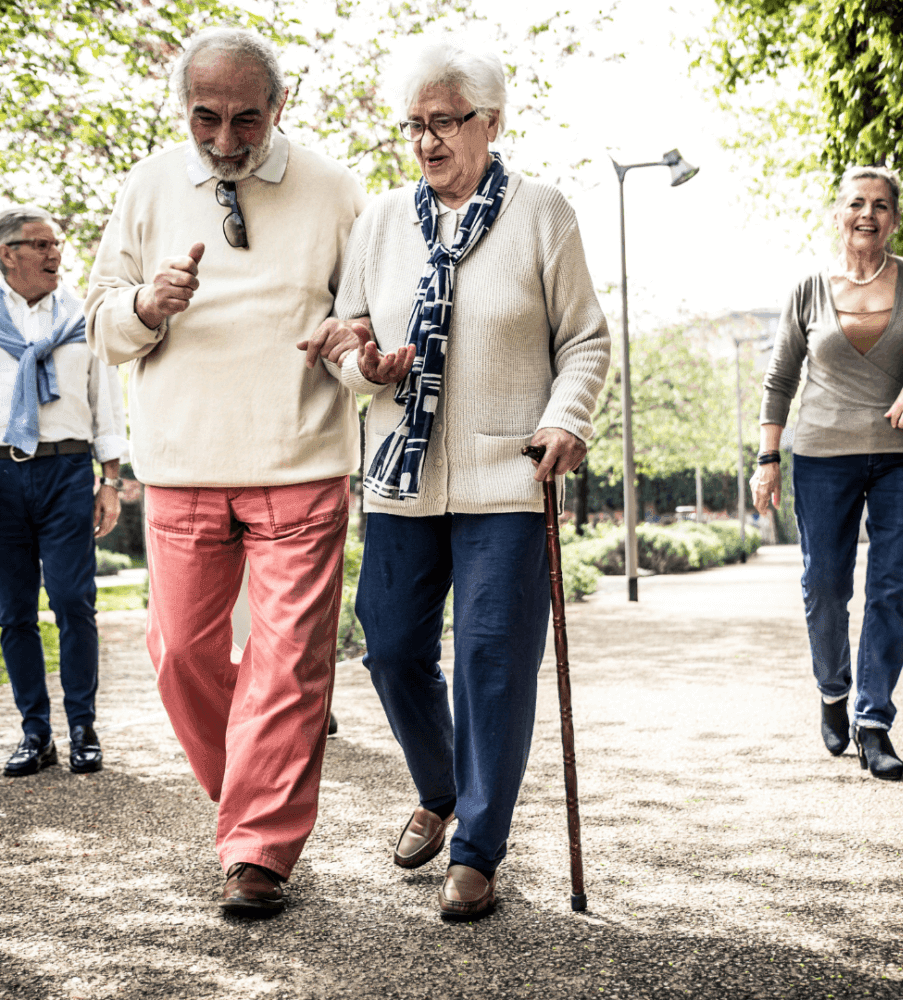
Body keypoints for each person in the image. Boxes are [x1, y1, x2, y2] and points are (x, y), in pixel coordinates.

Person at [319, 39, 609, 919]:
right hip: (402, 474)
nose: (428, 140)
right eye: (415, 124)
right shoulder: (379, 224)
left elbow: (585, 340)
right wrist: (367, 365)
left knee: (491, 659)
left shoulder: (541, 216)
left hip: (504, 474)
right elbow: (346, 339)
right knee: (394, 643)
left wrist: (566, 417)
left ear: (491, 122)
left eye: (445, 122)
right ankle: (441, 788)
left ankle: (478, 847)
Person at [85, 27, 367, 914]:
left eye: (248, 119)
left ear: (279, 108)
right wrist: (144, 304)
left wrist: (353, 346)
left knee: (288, 664)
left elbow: (364, 325)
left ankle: (258, 850)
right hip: (180, 461)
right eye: (207, 118)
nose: (225, 139)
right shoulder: (148, 186)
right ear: (185, 111)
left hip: (300, 457)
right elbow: (100, 324)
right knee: (178, 657)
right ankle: (251, 798)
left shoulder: (335, 192)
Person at [750, 165, 903, 780]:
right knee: (824, 586)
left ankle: (874, 723)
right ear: (838, 214)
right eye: (856, 204)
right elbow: (780, 376)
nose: (867, 214)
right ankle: (834, 690)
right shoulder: (809, 289)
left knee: (893, 589)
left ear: (895, 218)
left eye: (880, 205)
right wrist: (768, 459)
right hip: (821, 453)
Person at [0, 205, 127, 778]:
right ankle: (35, 732)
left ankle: (82, 727)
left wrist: (110, 480)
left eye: (57, 243)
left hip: (67, 470)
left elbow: (107, 402)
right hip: (2, 476)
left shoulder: (82, 315)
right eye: (41, 244)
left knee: (75, 601)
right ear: (8, 253)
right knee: (13, 611)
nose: (55, 254)